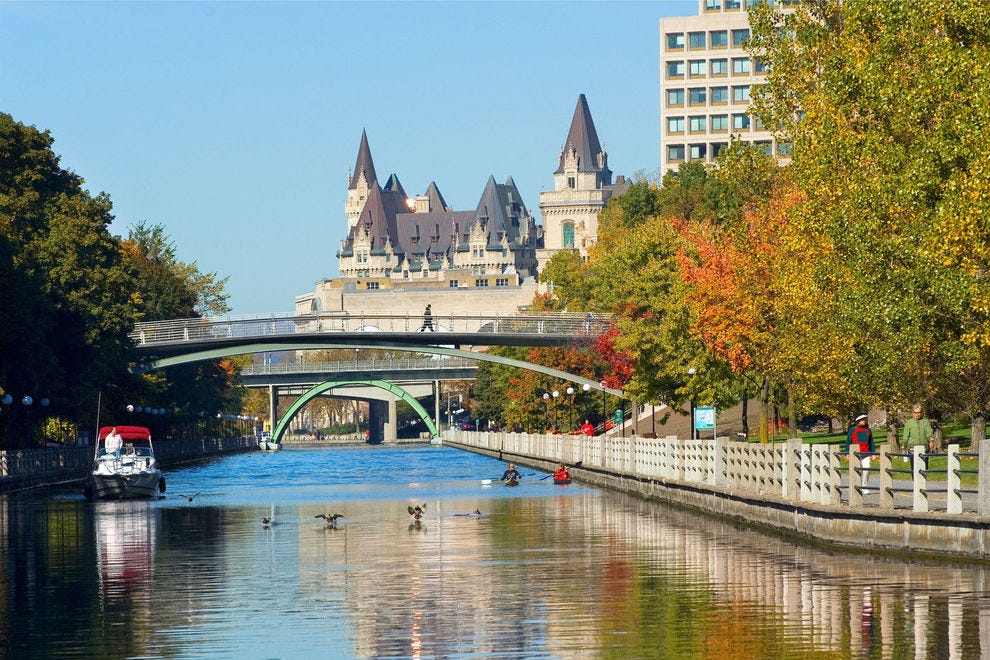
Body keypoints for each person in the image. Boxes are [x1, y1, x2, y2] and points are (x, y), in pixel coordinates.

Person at [846, 414, 875, 495]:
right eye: (862, 420)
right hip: (855, 454)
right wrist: (847, 453)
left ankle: (864, 486)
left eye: (865, 420)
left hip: (866, 453)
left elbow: (871, 442)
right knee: (856, 470)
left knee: (867, 468)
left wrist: (873, 453)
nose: (864, 421)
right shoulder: (853, 430)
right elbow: (848, 442)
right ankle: (855, 485)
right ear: (858, 421)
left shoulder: (868, 430)